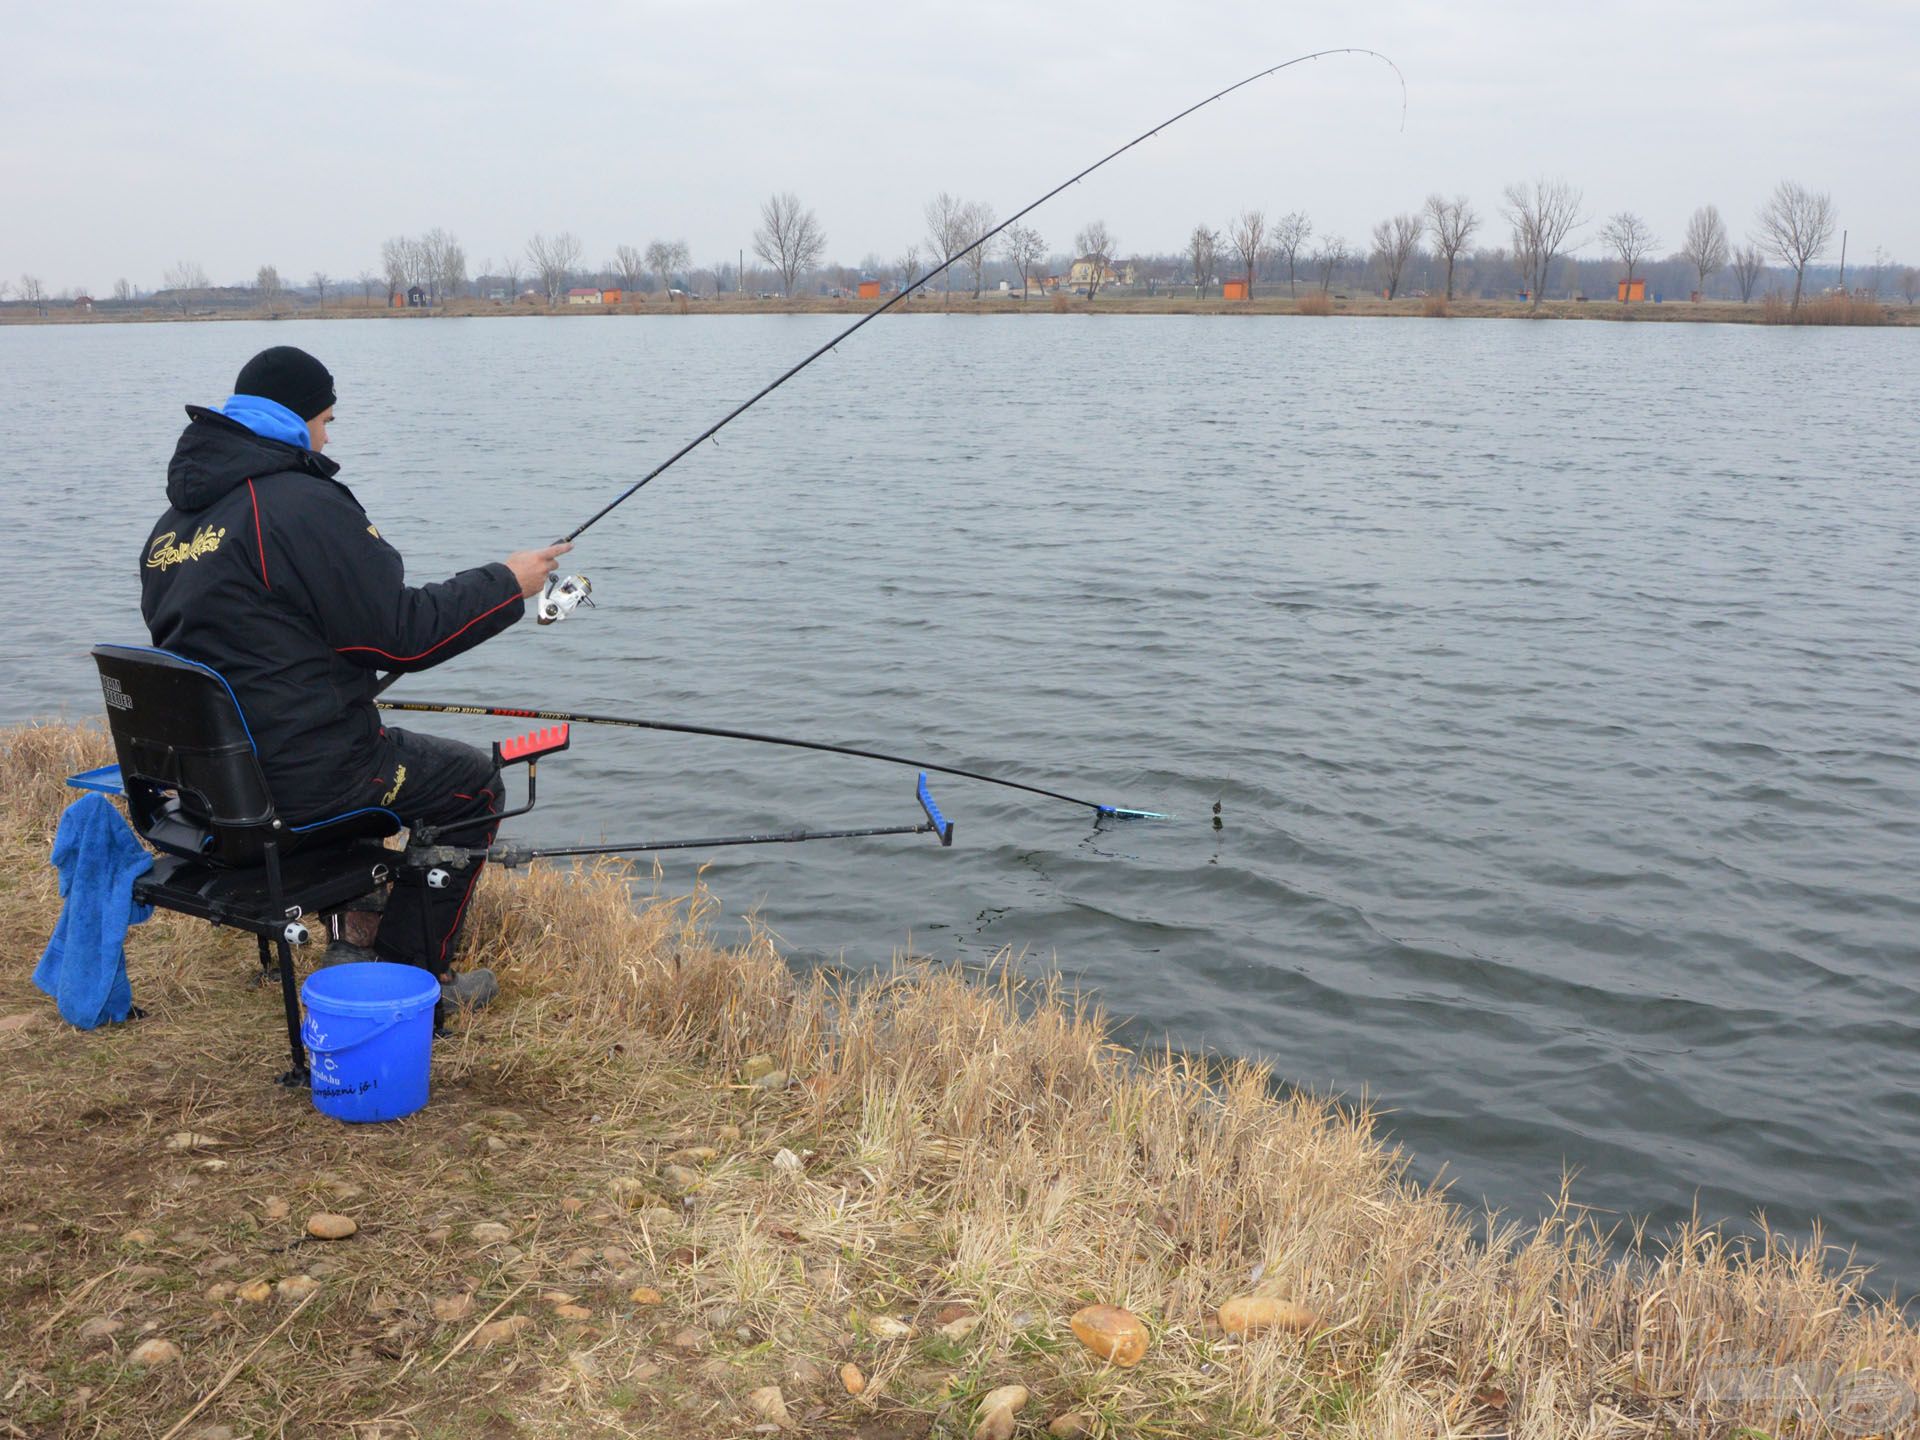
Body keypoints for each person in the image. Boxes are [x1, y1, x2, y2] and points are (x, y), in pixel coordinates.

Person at [140, 345, 569, 1009]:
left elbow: (246, 647)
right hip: (298, 785)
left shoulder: (174, 528)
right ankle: (412, 981)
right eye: (326, 419)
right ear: (298, 417)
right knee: (471, 785)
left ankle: (353, 934)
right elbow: (404, 635)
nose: (328, 435)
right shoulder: (298, 503)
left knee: (363, 743)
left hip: (210, 794)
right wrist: (507, 584)